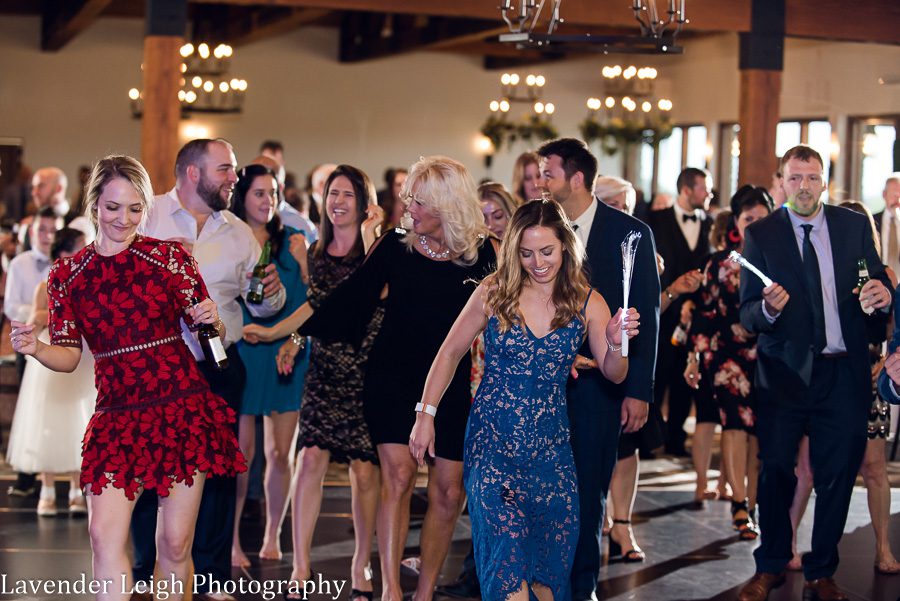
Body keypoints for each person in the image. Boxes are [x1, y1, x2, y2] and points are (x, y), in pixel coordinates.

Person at [244, 156, 497, 601]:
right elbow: (349, 299)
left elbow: (508, 316)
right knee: (397, 477)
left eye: (418, 202)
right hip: (390, 379)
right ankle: (391, 589)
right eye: (408, 200)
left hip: (452, 386)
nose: (408, 210)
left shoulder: (484, 255)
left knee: (447, 490)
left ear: (446, 205)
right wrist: (293, 333)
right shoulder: (396, 245)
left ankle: (424, 588)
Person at [9, 155, 246, 601]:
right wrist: (36, 347)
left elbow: (207, 335)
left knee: (174, 545)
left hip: (180, 410)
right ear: (94, 203)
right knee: (103, 537)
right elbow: (68, 355)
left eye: (135, 208)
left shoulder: (169, 258)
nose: (124, 219)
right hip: (116, 417)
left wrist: (210, 318)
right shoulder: (67, 276)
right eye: (113, 207)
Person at [409, 199, 639, 601]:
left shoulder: (588, 302)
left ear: (565, 247)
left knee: (546, 582)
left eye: (547, 251)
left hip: (551, 454)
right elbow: (449, 352)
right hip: (492, 446)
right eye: (526, 252)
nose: (537, 262)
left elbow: (613, 371)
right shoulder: (494, 291)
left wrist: (618, 344)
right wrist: (424, 415)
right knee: (507, 566)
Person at [132, 138, 286, 601]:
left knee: (218, 470)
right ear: (194, 172)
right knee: (151, 468)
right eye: (226, 169)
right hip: (156, 366)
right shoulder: (147, 215)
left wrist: (268, 291)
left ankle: (213, 575)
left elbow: (259, 304)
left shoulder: (239, 232)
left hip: (219, 364)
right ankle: (143, 572)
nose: (234, 178)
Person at [737, 144, 892, 601]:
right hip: (784, 375)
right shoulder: (762, 234)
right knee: (776, 473)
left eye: (811, 177)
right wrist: (766, 308)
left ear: (824, 181)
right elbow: (747, 315)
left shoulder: (853, 226)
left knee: (838, 474)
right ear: (781, 182)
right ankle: (769, 566)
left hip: (843, 374)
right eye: (794, 178)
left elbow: (873, 281)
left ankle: (822, 570)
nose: (803, 187)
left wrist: (878, 297)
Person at [250, 165, 384, 601]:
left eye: (347, 194)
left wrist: (370, 237)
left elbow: (375, 293)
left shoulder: (379, 249)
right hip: (324, 371)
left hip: (366, 373)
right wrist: (279, 335)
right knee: (308, 462)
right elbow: (314, 307)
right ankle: (301, 563)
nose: (338, 202)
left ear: (363, 203)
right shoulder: (317, 251)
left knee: (365, 475)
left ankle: (361, 561)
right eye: (332, 194)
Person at [536, 138, 659, 601]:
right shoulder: (537, 228)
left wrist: (639, 389)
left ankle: (580, 586)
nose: (540, 183)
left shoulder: (629, 234)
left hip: (600, 385)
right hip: (541, 384)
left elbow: (644, 311)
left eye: (547, 173)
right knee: (539, 494)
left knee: (588, 494)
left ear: (576, 178)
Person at [229, 164, 310, 567]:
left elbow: (313, 299)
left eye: (272, 193)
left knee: (281, 453)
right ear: (242, 196)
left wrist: (294, 340)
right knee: (240, 454)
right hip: (244, 348)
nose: (267, 201)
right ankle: (231, 540)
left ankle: (272, 534)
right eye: (259, 193)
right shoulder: (231, 240)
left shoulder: (294, 241)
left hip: (286, 351)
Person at [683, 185, 774, 541]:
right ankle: (739, 501)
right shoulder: (719, 263)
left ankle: (750, 501)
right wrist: (694, 356)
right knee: (735, 425)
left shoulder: (781, 262)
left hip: (766, 356)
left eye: (761, 219)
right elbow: (703, 313)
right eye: (748, 218)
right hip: (727, 355)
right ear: (736, 221)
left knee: (756, 432)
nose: (754, 225)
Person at [5, 228, 94, 517]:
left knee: (78, 420)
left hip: (79, 356)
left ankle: (76, 488)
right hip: (49, 353)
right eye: (79, 248)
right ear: (63, 254)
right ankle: (46, 488)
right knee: (48, 419)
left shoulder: (87, 282)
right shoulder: (46, 285)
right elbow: (34, 316)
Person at [647, 168, 715, 464]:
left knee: (685, 378)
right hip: (662, 310)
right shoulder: (656, 221)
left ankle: (676, 438)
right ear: (687, 190)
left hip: (696, 316)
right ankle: (650, 437)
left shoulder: (710, 224)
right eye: (705, 189)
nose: (709, 195)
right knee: (657, 374)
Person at [4, 205, 61, 497]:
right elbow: (11, 305)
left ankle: (66, 472)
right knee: (31, 405)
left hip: (61, 342)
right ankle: (28, 475)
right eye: (42, 229)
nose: (47, 235)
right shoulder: (20, 264)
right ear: (31, 231)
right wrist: (38, 315)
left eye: (53, 230)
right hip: (27, 338)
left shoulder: (66, 261)